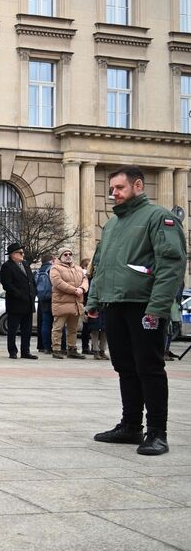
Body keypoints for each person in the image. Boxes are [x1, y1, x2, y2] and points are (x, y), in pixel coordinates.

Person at [87, 166, 186, 456]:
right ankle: (131, 426)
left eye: (119, 188)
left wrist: (157, 308)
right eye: (112, 189)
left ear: (138, 186)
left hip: (144, 306)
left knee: (149, 368)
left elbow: (171, 265)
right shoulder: (112, 225)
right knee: (125, 367)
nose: (113, 193)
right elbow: (102, 266)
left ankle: (157, 432)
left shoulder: (159, 218)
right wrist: (94, 300)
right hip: (115, 304)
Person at [0, 242, 38, 360]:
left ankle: (25, 351)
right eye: (20, 253)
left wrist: (33, 292)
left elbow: (31, 280)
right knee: (13, 329)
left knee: (27, 329)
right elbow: (7, 284)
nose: (22, 254)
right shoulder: (7, 266)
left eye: (22, 252)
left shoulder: (25, 264)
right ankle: (12, 351)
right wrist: (19, 294)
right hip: (15, 303)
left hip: (28, 302)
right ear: (13, 254)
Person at [49, 247, 88, 359]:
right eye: (65, 254)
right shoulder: (55, 268)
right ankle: (56, 349)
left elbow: (85, 280)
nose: (68, 256)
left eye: (70, 254)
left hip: (75, 303)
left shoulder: (78, 268)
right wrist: (74, 290)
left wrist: (82, 288)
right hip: (61, 303)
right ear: (60, 256)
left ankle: (72, 349)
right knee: (58, 328)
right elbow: (58, 282)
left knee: (73, 329)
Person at [35, 254, 54, 354]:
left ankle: (43, 346)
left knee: (43, 323)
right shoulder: (52, 270)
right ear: (51, 261)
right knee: (56, 324)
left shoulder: (37, 271)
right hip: (52, 298)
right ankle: (56, 346)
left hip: (42, 299)